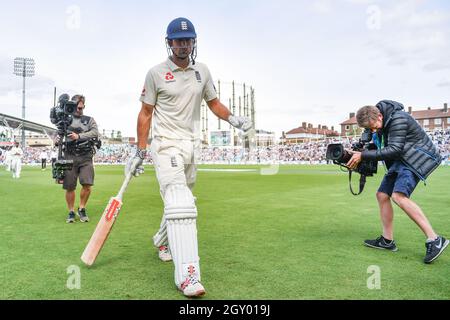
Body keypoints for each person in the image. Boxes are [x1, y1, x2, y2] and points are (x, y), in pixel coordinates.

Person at [126, 17, 252, 297]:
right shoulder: (156, 73)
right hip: (165, 145)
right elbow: (145, 113)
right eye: (178, 40)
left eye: (188, 40)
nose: (183, 45)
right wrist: (140, 150)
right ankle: (188, 277)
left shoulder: (202, 71)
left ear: (194, 42)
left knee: (179, 200)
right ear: (169, 43)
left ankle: (161, 240)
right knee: (180, 202)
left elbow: (214, 103)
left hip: (190, 145)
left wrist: (234, 119)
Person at [346, 100, 447, 264]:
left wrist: (363, 156)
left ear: (379, 115)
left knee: (398, 196)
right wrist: (359, 151)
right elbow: (381, 146)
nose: (373, 130)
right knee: (382, 195)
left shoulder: (398, 118)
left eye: (373, 126)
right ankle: (387, 241)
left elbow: (394, 149)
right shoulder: (380, 122)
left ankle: (435, 239)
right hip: (400, 160)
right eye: (369, 128)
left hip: (416, 158)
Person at [58, 94, 99, 223]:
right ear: (72, 106)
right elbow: (56, 134)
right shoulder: (64, 120)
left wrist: (79, 136)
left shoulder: (89, 120)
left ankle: (81, 208)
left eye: (81, 108)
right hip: (68, 155)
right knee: (69, 186)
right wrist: (56, 139)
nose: (79, 110)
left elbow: (95, 132)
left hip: (86, 156)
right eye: (77, 107)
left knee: (87, 184)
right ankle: (71, 211)